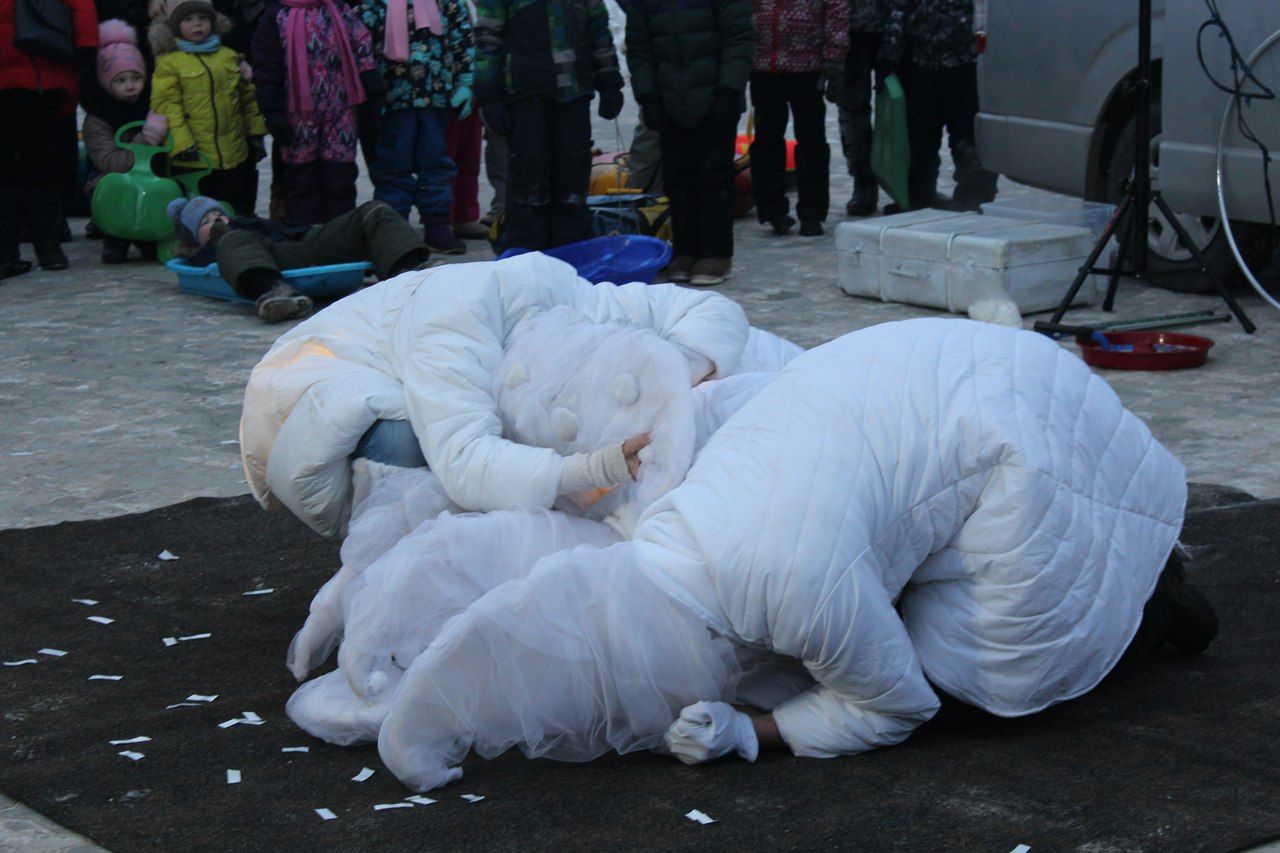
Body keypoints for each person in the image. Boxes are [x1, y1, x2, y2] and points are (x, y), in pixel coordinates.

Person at [364, 317, 1217, 791]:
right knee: (869, 611)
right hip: (955, 368)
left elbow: (896, 707)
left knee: (980, 672)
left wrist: (754, 733)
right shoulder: (675, 526)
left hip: (1020, 439)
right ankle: (1154, 580)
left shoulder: (794, 585)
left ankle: (1162, 609)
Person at [238, 251, 752, 538]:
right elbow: (464, 462)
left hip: (412, 348)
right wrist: (593, 469)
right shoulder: (454, 337)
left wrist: (678, 375)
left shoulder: (585, 305)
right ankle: (403, 555)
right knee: (409, 446)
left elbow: (710, 309)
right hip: (308, 393)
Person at [474, 0, 623, 252]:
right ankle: (527, 252)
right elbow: (488, 37)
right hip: (524, 93)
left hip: (573, 92)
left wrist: (609, 81)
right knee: (529, 174)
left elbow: (598, 28)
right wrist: (488, 94)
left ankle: (572, 250)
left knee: (572, 174)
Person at [625, 0, 754, 286]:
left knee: (713, 178)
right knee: (677, 178)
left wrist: (729, 89)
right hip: (669, 99)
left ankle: (715, 254)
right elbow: (639, 47)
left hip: (715, 95)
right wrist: (649, 96)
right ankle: (685, 251)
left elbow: (738, 38)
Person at [167, 195, 431, 321]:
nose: (216, 222)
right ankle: (275, 293)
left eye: (219, 216)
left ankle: (408, 273)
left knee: (373, 210)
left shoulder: (247, 224)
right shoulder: (217, 247)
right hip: (267, 263)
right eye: (205, 222)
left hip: (301, 247)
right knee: (232, 238)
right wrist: (219, 235)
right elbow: (207, 263)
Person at [250, 0, 379, 225]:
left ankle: (342, 233)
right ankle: (306, 236)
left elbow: (360, 43)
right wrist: (271, 108)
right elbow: (266, 63)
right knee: (301, 179)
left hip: (340, 109)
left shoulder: (339, 9)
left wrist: (370, 79)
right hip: (297, 112)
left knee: (340, 175)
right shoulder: (276, 15)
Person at [360, 0, 474, 254]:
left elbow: (462, 37)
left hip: (436, 97)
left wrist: (465, 80)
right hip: (393, 100)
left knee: (435, 164)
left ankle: (437, 225)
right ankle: (394, 232)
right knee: (392, 166)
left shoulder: (447, 2)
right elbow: (360, 41)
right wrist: (367, 90)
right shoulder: (374, 3)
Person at [0, 0, 98, 276]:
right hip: (42, 69)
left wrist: (85, 45)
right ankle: (43, 247)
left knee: (32, 163)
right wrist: (85, 46)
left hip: (42, 71)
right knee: (37, 164)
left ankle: (27, 247)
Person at [876, 0, 997, 211]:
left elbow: (991, 14)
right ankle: (918, 198)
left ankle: (974, 199)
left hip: (967, 65)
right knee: (919, 141)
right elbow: (898, 11)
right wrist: (888, 56)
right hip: (920, 66)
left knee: (968, 140)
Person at [149, 0, 268, 214]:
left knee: (238, 209)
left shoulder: (228, 56)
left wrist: (255, 134)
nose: (197, 25)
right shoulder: (169, 63)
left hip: (234, 154)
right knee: (204, 213)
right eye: (189, 19)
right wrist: (183, 144)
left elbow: (247, 101)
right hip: (196, 160)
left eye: (203, 18)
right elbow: (167, 107)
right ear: (176, 26)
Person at [747, 0, 847, 238]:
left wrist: (834, 58)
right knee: (766, 141)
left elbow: (837, 10)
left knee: (812, 141)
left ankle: (812, 214)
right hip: (763, 66)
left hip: (808, 67)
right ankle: (773, 212)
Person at [81, 20, 170, 263]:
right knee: (113, 189)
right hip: (112, 178)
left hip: (150, 180)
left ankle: (149, 236)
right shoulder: (98, 118)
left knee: (159, 188)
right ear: (105, 82)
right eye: (121, 80)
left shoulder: (151, 107)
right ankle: (115, 236)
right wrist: (144, 142)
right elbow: (109, 159)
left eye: (136, 78)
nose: (131, 86)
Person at [837, 0, 886, 216]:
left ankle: (910, 181)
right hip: (848, 31)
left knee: (902, 110)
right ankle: (863, 180)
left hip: (896, 26)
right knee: (853, 112)